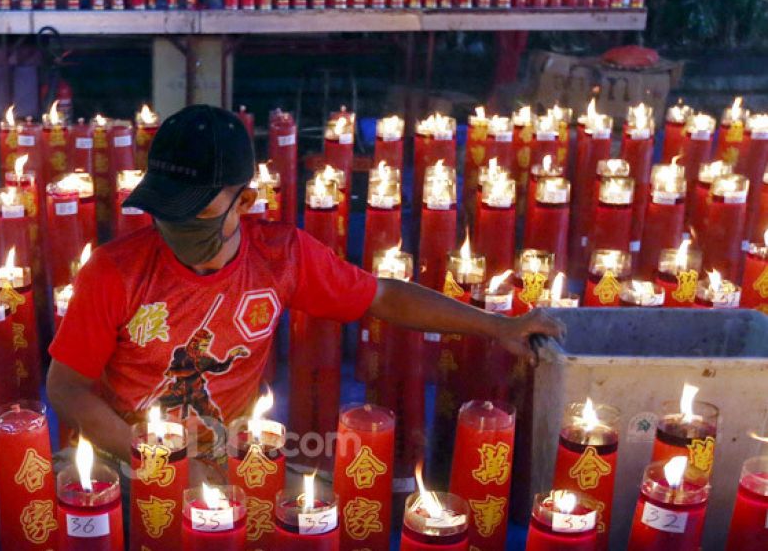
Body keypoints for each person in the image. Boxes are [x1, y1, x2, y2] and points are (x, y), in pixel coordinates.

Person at [47, 104, 564, 467]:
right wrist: (150, 457)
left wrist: (497, 326)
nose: (175, 226)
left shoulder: (280, 258)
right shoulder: (115, 272)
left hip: (223, 456)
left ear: (244, 204)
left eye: (196, 212)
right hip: (120, 454)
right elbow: (65, 387)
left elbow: (381, 296)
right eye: (165, 210)